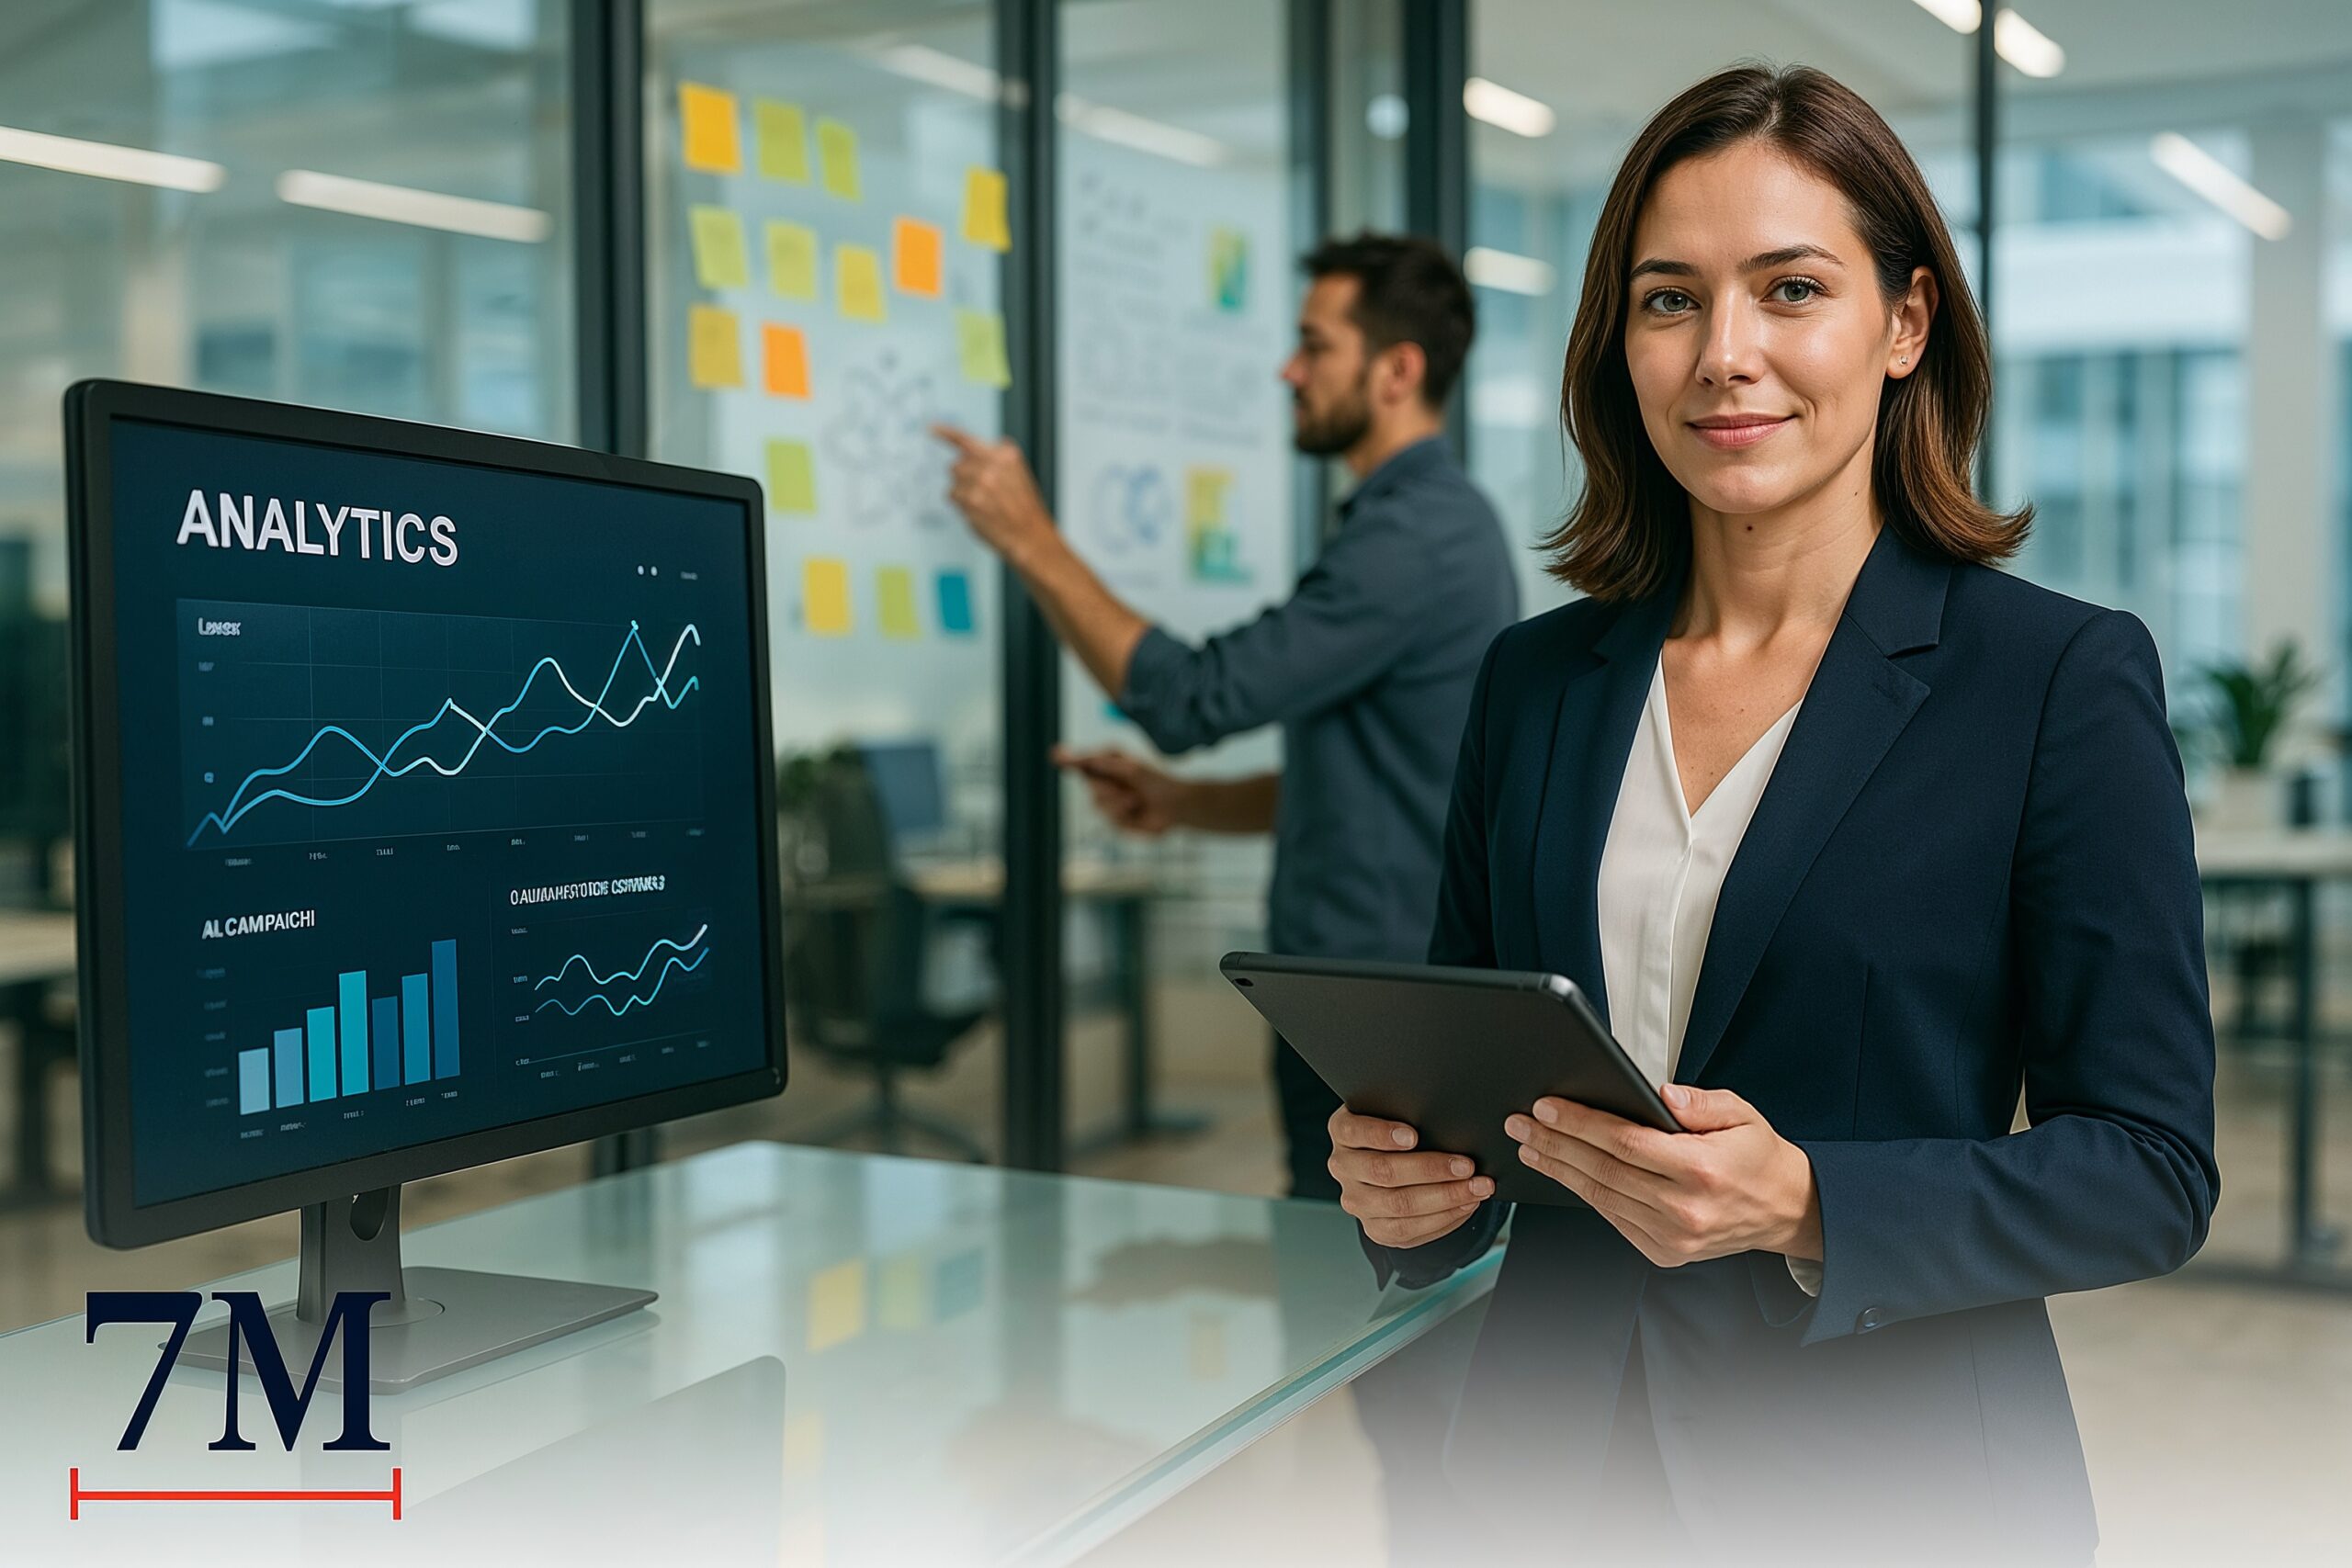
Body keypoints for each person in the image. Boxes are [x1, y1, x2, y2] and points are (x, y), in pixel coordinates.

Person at [1327, 65, 2219, 1564]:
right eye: (1669, 300)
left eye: (1791, 288)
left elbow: (2149, 1169)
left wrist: (1811, 1202)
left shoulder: (2054, 678)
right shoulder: (1536, 680)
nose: (1726, 355)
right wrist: (1410, 1192)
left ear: (1906, 324)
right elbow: (1477, 1091)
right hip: (1540, 1478)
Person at [933, 233, 1518, 1200]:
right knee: (1347, 1282)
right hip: (1364, 1002)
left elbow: (1189, 697)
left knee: (1356, 1298)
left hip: (1378, 1014)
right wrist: (1183, 802)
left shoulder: (1412, 539)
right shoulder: (1422, 526)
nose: (1288, 371)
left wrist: (1027, 538)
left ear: (1396, 371)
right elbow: (1366, 782)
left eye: (1314, 346)